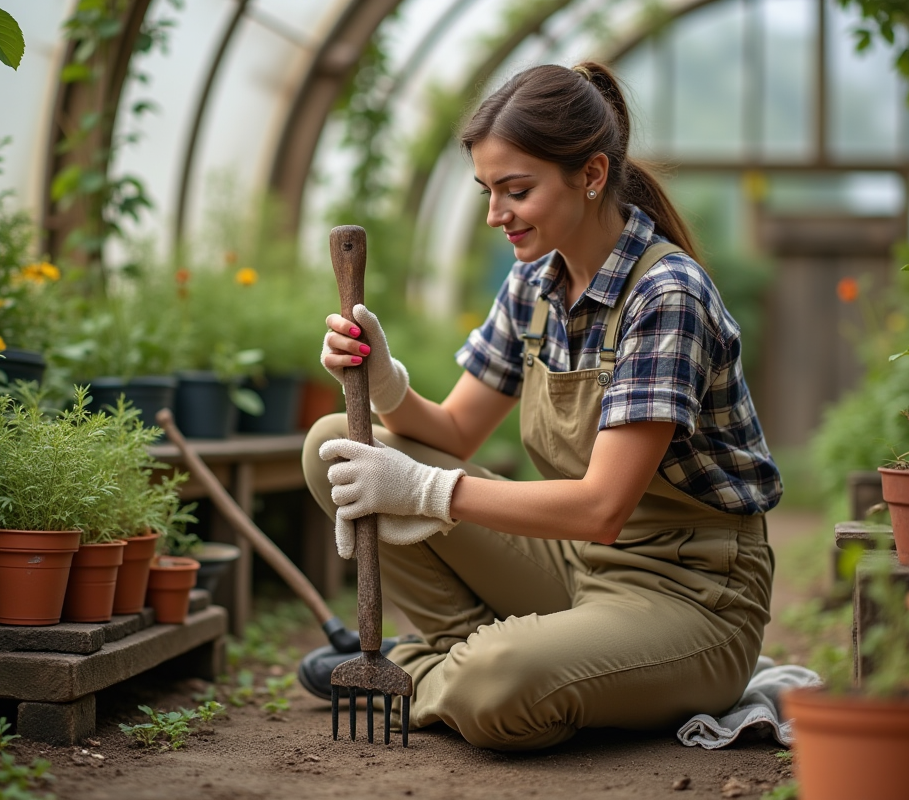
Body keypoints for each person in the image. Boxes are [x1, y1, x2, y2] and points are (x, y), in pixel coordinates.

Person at [297, 61, 781, 752]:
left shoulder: (666, 295)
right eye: (487, 191)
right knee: (333, 444)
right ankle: (464, 658)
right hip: (576, 564)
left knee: (499, 680)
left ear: (591, 175)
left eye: (516, 190)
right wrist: (384, 384)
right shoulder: (534, 284)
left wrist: (424, 491)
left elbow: (601, 507)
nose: (495, 215)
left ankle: (431, 672)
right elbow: (455, 431)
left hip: (689, 594)